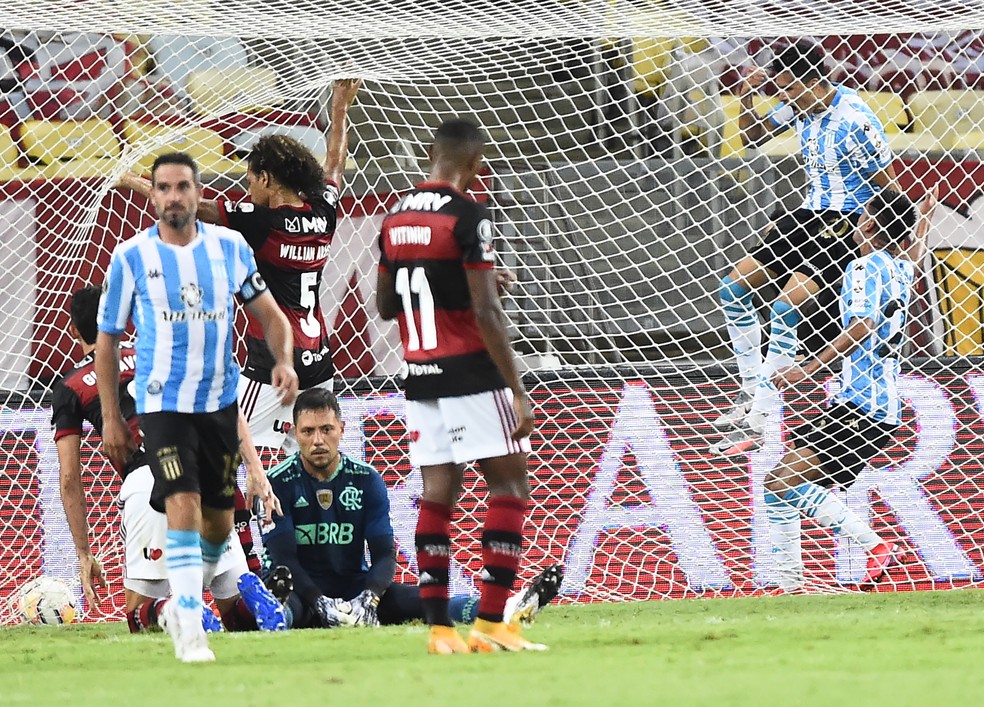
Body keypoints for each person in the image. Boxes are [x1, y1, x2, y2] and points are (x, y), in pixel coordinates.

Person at [96, 152, 299, 663]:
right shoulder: (130, 257)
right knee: (182, 501)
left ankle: (182, 599)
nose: (173, 196)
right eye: (163, 187)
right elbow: (107, 340)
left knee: (217, 524)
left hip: (218, 405)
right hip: (162, 404)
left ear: (196, 191)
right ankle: (188, 625)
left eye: (182, 186)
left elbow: (272, 316)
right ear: (155, 195)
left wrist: (285, 361)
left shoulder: (229, 248)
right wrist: (110, 416)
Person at [117, 79, 362, 453]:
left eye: (250, 182)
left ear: (265, 178)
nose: (248, 191)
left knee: (228, 448)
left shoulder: (261, 221)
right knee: (312, 459)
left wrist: (132, 181)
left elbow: (194, 207)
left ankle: (244, 514)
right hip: (320, 362)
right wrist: (341, 106)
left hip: (274, 362)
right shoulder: (323, 209)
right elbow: (335, 164)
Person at [375, 118, 545, 654]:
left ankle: (440, 631)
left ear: (433, 154)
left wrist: (459, 280)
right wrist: (517, 387)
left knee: (437, 498)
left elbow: (385, 305)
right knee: (510, 486)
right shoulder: (470, 216)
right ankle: (492, 623)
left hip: (420, 375)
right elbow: (488, 312)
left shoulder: (394, 216)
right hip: (470, 370)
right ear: (475, 163)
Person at [53, 286, 283, 636]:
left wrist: (84, 554)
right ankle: (255, 603)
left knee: (137, 615)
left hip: (148, 480)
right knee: (234, 610)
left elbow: (70, 477)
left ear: (73, 329)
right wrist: (254, 469)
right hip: (201, 470)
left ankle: (175, 608)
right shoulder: (158, 355)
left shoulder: (71, 386)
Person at [714, 39, 897, 455]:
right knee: (734, 287)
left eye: (790, 89)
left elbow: (890, 191)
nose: (784, 96)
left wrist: (882, 245)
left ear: (815, 82)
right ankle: (747, 393)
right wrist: (746, 97)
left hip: (844, 224)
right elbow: (753, 137)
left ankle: (760, 418)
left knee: (785, 307)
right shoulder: (799, 104)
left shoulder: (856, 121)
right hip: (806, 215)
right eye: (780, 90)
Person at [261, 388, 563, 631]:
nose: (317, 440)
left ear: (342, 428)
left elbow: (383, 554)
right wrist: (319, 601)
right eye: (308, 431)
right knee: (284, 607)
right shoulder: (276, 481)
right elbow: (285, 558)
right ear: (295, 433)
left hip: (356, 592)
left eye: (326, 429)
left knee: (427, 601)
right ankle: (275, 618)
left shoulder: (366, 479)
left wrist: (370, 598)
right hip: (304, 594)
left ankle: (506, 609)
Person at [764, 187, 937, 592]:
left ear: (869, 224)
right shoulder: (901, 268)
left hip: (858, 405)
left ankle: (874, 545)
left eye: (862, 216)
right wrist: (923, 217)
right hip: (877, 408)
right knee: (780, 487)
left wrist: (805, 370)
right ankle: (790, 589)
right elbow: (915, 253)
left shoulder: (862, 267)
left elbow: (861, 328)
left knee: (778, 484)